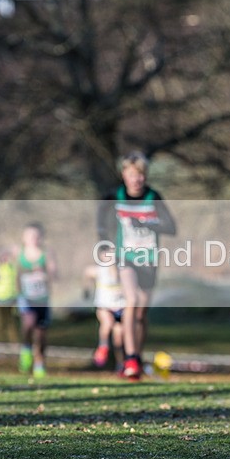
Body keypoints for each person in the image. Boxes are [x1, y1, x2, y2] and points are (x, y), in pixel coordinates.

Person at [97, 151, 176, 381]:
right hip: (126, 256)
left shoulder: (153, 196)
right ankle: (130, 358)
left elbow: (171, 228)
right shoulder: (116, 195)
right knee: (131, 301)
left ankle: (137, 358)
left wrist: (146, 223)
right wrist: (103, 241)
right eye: (132, 175)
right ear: (124, 175)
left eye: (140, 175)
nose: (136, 180)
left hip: (149, 258)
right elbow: (101, 216)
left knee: (141, 313)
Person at [16, 222, 57, 378]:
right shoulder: (18, 253)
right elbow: (14, 272)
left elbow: (54, 275)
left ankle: (39, 363)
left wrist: (45, 274)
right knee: (28, 323)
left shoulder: (47, 253)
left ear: (41, 238)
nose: (33, 238)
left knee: (41, 333)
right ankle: (26, 348)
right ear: (23, 237)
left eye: (36, 236)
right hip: (26, 297)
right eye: (30, 235)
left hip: (42, 298)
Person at [83, 244, 126, 372]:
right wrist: (86, 290)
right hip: (104, 306)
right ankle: (102, 348)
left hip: (120, 307)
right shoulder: (100, 270)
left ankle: (121, 365)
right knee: (107, 324)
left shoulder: (123, 269)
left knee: (119, 338)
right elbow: (87, 272)